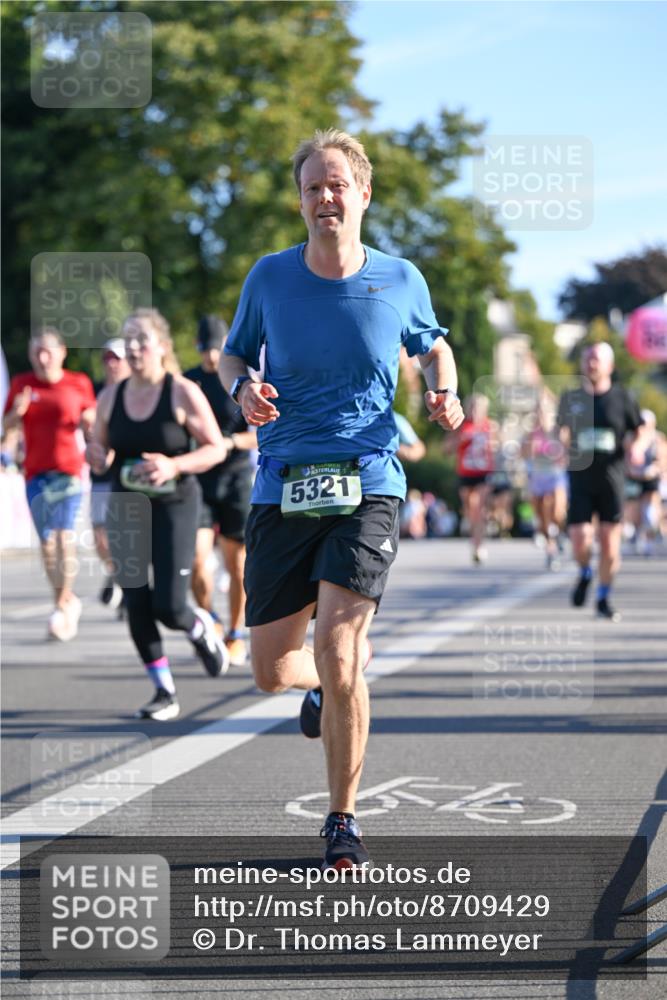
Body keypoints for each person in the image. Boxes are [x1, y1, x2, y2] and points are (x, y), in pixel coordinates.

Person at [219, 128, 463, 870]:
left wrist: (443, 389)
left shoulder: (399, 278)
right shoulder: (268, 277)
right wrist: (241, 387)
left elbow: (434, 345)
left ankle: (341, 820)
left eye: (335, 185)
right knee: (268, 668)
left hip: (369, 480)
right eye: (311, 187)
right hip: (282, 482)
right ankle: (331, 685)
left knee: (339, 646)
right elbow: (235, 351)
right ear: (300, 202)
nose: (324, 197)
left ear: (361, 193)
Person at [87, 308, 228, 721]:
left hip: (175, 503)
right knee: (135, 600)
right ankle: (164, 691)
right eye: (127, 340)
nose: (132, 348)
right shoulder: (112, 395)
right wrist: (95, 457)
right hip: (127, 505)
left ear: (162, 348)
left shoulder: (181, 391)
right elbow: (100, 453)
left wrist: (173, 465)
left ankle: (199, 627)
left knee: (169, 606)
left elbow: (215, 448)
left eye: (140, 341)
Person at [3, 328, 96, 640]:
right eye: (36, 353)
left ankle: (61, 602)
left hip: (69, 471)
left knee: (63, 537)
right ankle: (65, 600)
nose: (42, 358)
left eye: (48, 351)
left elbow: (92, 417)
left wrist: (90, 422)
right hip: (36, 474)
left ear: (62, 352)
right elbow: (6, 429)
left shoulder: (78, 383)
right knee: (46, 543)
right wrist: (16, 413)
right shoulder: (22, 384)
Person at [184, 316, 257, 665]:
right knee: (197, 560)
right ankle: (209, 618)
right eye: (205, 349)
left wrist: (228, 442)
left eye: (217, 348)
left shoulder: (241, 381)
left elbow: (261, 434)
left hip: (235, 477)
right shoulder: (188, 382)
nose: (212, 356)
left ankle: (235, 632)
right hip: (199, 478)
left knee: (236, 563)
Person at [557, 342, 643, 621]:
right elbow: (560, 431)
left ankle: (604, 596)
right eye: (587, 359)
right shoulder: (571, 398)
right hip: (580, 477)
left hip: (612, 479)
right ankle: (584, 572)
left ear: (610, 365)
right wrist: (558, 444)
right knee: (580, 538)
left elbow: (640, 430)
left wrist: (637, 447)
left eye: (596, 359)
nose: (591, 364)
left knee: (609, 543)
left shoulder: (622, 398)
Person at [90, 338, 131, 610]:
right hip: (101, 475)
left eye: (117, 358)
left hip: (131, 477)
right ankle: (117, 574)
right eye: (107, 358)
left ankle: (128, 584)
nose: (111, 364)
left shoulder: (139, 393)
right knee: (100, 537)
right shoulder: (94, 391)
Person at [446, 393, 496, 563]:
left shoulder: (490, 426)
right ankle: (472, 530)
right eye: (473, 408)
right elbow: (446, 449)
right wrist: (460, 440)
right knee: (470, 510)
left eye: (479, 408)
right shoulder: (461, 426)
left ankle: (478, 546)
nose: (475, 412)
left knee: (479, 509)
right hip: (465, 473)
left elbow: (501, 446)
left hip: (483, 473)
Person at [522, 397, 568, 569]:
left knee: (556, 511)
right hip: (538, 477)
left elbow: (568, 451)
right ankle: (551, 550)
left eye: (543, 411)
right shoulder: (532, 433)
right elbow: (525, 455)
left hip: (555, 475)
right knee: (542, 517)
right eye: (537, 411)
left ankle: (559, 532)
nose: (540, 414)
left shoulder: (558, 431)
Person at [624, 409, 666, 556]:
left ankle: (650, 540)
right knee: (634, 512)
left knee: (650, 510)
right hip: (634, 479)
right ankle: (636, 536)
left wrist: (654, 470)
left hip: (651, 479)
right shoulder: (630, 439)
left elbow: (662, 460)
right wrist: (631, 470)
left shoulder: (657, 439)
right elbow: (624, 459)